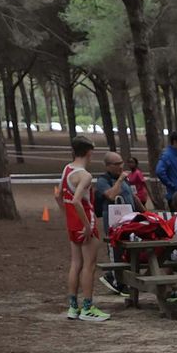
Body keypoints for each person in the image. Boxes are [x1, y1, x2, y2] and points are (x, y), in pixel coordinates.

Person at [57, 135, 106, 323]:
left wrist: (67, 217)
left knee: (75, 263)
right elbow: (77, 200)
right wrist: (87, 226)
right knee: (89, 265)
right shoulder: (85, 175)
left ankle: (72, 306)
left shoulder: (66, 170)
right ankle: (88, 307)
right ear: (89, 152)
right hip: (86, 221)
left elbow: (59, 196)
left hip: (72, 222)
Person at [92, 152, 136, 296]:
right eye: (116, 164)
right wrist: (120, 180)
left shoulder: (125, 179)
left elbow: (133, 197)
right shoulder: (103, 181)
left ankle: (114, 276)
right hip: (113, 222)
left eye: (121, 163)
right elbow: (110, 195)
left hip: (130, 219)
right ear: (108, 166)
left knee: (129, 250)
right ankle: (119, 283)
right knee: (116, 250)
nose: (120, 166)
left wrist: (145, 212)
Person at [154, 131, 177, 208]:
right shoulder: (167, 156)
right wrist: (172, 185)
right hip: (175, 197)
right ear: (175, 142)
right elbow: (159, 171)